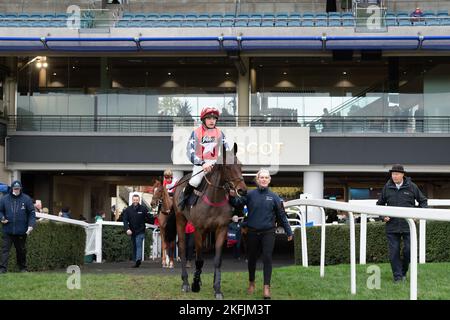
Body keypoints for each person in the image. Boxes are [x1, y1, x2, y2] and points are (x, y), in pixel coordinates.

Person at [228, 169, 293, 299]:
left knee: (267, 257)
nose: (263, 179)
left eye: (266, 177)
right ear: (257, 180)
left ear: (269, 180)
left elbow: (281, 215)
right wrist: (230, 195)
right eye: (261, 177)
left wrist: (288, 230)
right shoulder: (250, 194)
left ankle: (266, 288)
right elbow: (237, 203)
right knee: (252, 258)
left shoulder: (274, 197)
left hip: (268, 232)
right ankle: (251, 282)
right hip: (252, 232)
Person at [376, 164, 428, 283]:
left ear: (403, 175)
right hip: (392, 227)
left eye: (397, 174)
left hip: (408, 226)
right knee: (394, 252)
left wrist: (417, 215)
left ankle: (403, 272)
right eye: (393, 174)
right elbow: (379, 205)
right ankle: (398, 277)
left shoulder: (412, 186)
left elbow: (423, 202)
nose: (394, 176)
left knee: (408, 250)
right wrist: (383, 216)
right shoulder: (387, 187)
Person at [179, 106, 230, 210]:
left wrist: (224, 160)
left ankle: (235, 208)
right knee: (194, 181)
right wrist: (202, 163)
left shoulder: (220, 133)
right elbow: (190, 152)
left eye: (214, 118)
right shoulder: (196, 133)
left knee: (228, 181)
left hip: (215, 163)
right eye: (209, 118)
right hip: (201, 164)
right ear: (203, 120)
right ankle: (183, 201)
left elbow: (226, 150)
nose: (212, 121)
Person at [0, 180, 36, 273]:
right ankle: (3, 269)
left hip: (21, 230)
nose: (16, 190)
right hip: (7, 230)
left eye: (18, 189)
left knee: (21, 250)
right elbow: (0, 211)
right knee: (5, 250)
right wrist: (2, 218)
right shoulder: (4, 199)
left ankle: (22, 268)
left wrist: (31, 225)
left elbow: (32, 213)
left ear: (21, 189)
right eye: (15, 189)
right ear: (12, 188)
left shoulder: (26, 199)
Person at [122, 194, 152, 268]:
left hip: (141, 231)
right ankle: (135, 261)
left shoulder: (143, 209)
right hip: (132, 231)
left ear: (139, 200)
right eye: (134, 200)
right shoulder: (128, 210)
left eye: (137, 200)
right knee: (134, 246)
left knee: (138, 245)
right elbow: (125, 220)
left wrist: (157, 217)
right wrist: (127, 229)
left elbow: (150, 218)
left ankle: (138, 260)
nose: (135, 201)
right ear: (132, 200)